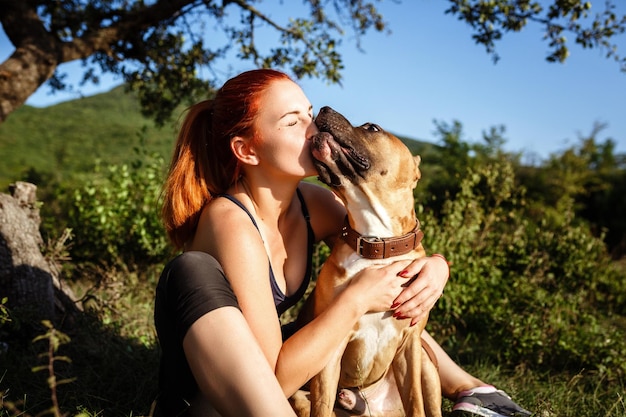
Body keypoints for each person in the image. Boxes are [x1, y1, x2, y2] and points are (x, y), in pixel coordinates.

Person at [153, 68, 531, 417]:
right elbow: (271, 381)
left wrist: (437, 266)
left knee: (380, 294)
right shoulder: (231, 221)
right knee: (351, 295)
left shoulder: (311, 203)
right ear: (247, 150)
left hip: (268, 369)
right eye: (292, 121)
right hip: (218, 392)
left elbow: (385, 251)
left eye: (308, 112)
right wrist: (354, 300)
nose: (312, 126)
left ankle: (474, 391)